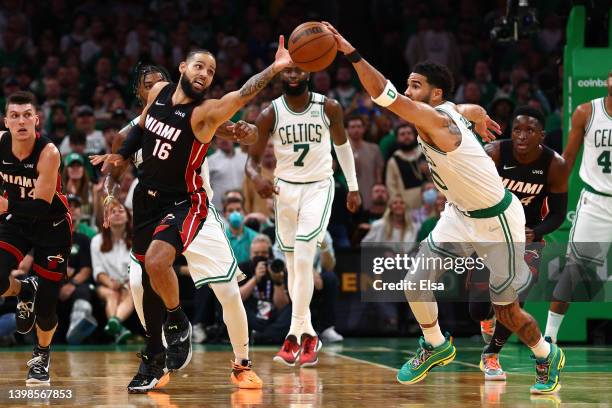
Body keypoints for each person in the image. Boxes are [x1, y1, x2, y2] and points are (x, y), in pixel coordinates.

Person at [324, 22, 565, 394]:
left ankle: (546, 354)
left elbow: (380, 94)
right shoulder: (450, 108)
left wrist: (349, 50)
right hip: (458, 214)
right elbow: (468, 106)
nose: (407, 92)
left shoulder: (436, 120)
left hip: (497, 220)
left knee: (506, 311)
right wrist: (480, 114)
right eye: (408, 85)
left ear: (435, 94)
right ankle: (436, 345)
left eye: (414, 86)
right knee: (414, 284)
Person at [97, 42, 292, 390]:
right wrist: (111, 188)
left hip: (191, 207)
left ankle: (241, 362)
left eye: (210, 70)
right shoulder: (144, 116)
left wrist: (243, 125)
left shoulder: (202, 112)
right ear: (141, 92)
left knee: (228, 290)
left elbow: (234, 107)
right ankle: (157, 358)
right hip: (148, 203)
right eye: (198, 66)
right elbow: (123, 153)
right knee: (142, 283)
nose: (203, 74)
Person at [246, 63, 361, 367]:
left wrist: (352, 186)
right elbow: (251, 162)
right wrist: (257, 179)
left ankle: (293, 335)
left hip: (318, 187)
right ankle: (309, 332)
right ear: (281, 75)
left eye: (299, 71)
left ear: (309, 73)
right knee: (290, 265)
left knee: (302, 257)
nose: (293, 76)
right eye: (288, 72)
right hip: (284, 190)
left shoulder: (329, 107)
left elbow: (343, 147)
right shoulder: (270, 113)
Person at [468, 106, 567, 380]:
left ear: (541, 135)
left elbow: (558, 213)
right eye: (517, 130)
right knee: (477, 308)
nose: (522, 136)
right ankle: (486, 318)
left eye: (530, 130)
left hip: (527, 240)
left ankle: (491, 355)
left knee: (513, 304)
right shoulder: (495, 153)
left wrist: (536, 231)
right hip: (491, 233)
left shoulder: (554, 165)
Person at [0, 91, 72, 384]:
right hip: (16, 222)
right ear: (6, 121)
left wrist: (5, 205)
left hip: (51, 225)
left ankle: (41, 355)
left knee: (46, 308)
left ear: (36, 120)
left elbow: (42, 205)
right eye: (14, 116)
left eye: (26, 115)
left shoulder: (48, 152)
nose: (20, 121)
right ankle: (23, 289)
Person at [544, 70, 612, 344]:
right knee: (574, 272)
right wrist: (552, 199)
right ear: (607, 81)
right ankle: (548, 340)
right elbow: (568, 159)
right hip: (595, 202)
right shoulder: (587, 112)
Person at [92, 200, 134, 344]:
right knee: (111, 294)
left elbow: (137, 267)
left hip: (129, 283)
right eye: (112, 211)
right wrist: (111, 283)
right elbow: (98, 270)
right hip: (106, 285)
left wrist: (126, 282)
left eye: (121, 211)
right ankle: (117, 326)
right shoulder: (96, 241)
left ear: (128, 216)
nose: (117, 213)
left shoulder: (136, 240)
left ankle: (114, 325)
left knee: (132, 291)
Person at [239, 235, 291, 345]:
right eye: (256, 253)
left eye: (264, 253)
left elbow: (282, 305)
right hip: (251, 314)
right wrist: (255, 279)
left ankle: (262, 336)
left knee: (292, 309)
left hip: (273, 314)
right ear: (250, 254)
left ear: (270, 254)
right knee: (235, 306)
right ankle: (271, 335)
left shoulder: (277, 267)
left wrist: (278, 282)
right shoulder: (242, 268)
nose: (260, 256)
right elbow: (238, 298)